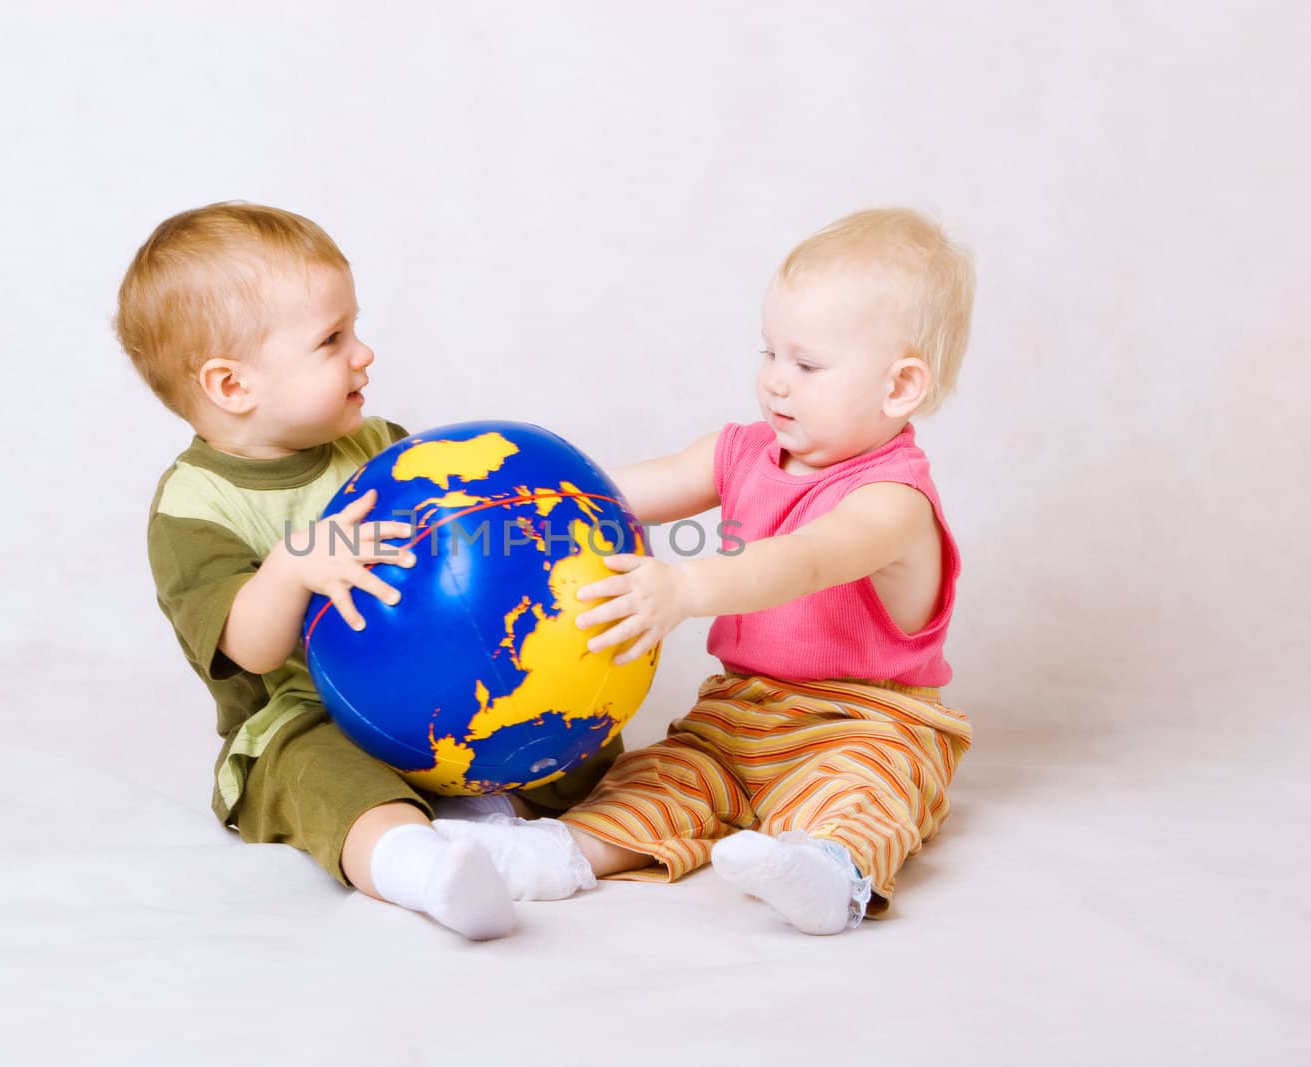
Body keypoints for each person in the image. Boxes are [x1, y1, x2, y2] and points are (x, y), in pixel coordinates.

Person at [435, 207, 976, 935]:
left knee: (864, 792)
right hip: (738, 711)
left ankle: (827, 871)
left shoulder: (893, 502)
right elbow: (610, 496)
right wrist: (497, 510)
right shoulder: (743, 451)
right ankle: (555, 854)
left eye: (807, 364)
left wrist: (686, 587)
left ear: (900, 387)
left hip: (865, 720)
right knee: (661, 778)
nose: (775, 382)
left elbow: (804, 560)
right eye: (770, 353)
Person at [115, 201, 618, 940]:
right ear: (232, 386)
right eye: (331, 339)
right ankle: (417, 867)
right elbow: (248, 648)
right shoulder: (194, 506)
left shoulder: (379, 445)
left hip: (431, 690)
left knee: (589, 749)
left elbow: (463, 559)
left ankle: (528, 824)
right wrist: (290, 570)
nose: (364, 353)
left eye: (354, 328)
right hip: (304, 711)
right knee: (321, 775)